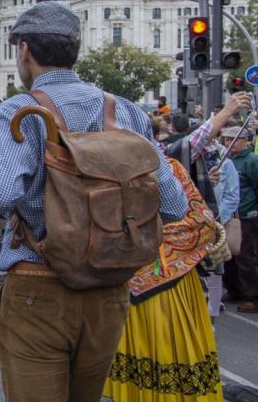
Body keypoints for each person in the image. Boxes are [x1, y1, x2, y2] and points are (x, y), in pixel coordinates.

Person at [0, 1, 187, 402]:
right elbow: (173, 204)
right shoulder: (125, 110)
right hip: (110, 291)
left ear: (24, 51)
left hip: (41, 288)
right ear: (75, 50)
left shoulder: (20, 111)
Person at [102, 158, 222, 402]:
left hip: (151, 283)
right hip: (146, 282)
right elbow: (201, 223)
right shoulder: (162, 167)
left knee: (163, 358)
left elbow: (200, 222)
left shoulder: (105, 170)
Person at [221, 125, 258, 314]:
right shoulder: (225, 158)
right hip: (229, 214)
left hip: (247, 214)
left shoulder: (253, 160)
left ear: (246, 140)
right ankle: (235, 290)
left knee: (244, 257)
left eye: (234, 139)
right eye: (226, 139)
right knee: (228, 255)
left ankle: (252, 297)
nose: (229, 143)